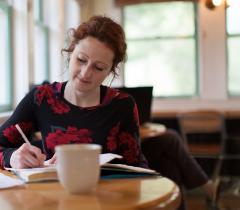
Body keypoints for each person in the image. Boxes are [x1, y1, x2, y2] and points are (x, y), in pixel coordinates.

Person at [0, 15, 147, 169]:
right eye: (81, 60)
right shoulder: (42, 97)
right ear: (71, 53)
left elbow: (136, 166)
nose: (85, 73)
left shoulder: (122, 105)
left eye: (98, 67)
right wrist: (12, 157)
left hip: (107, 192)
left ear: (110, 71)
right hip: (52, 191)